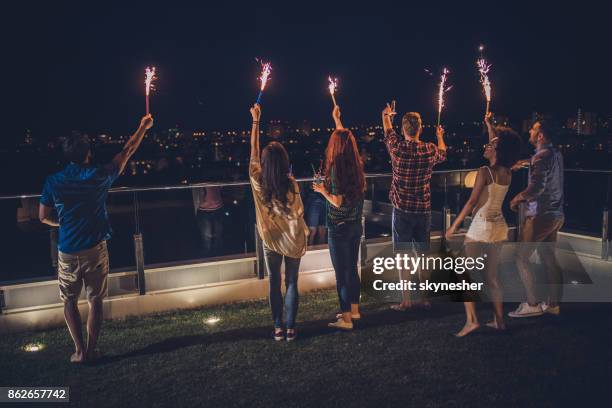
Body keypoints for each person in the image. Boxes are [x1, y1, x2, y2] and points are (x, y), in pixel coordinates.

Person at [39, 114, 154, 362]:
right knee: (95, 299)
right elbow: (127, 151)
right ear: (88, 153)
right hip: (95, 248)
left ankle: (79, 351)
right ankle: (91, 350)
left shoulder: (54, 182)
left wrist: (63, 222)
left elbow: (43, 217)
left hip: (67, 249)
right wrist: (142, 127)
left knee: (69, 299)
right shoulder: (98, 175)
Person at [445, 113, 522, 337]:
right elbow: (499, 146)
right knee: (491, 276)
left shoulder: (484, 172)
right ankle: (499, 322)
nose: (486, 146)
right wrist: (490, 126)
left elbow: (471, 203)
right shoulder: (506, 172)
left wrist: (454, 227)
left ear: (497, 150)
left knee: (461, 272)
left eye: (490, 144)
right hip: (499, 226)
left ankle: (472, 321)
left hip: (482, 226)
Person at [249, 103, 308, 342]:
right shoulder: (292, 184)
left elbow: (253, 154)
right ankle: (291, 328)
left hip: (271, 239)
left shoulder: (258, 182)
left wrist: (255, 121)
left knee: (274, 283)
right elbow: (299, 211)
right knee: (291, 282)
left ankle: (278, 328)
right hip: (292, 239)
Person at [381, 103, 447, 310]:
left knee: (402, 255)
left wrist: (386, 115)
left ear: (403, 129)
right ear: (420, 129)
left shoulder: (397, 149)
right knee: (422, 254)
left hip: (401, 210)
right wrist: (439, 136)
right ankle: (424, 298)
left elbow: (387, 131)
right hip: (423, 210)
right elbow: (443, 154)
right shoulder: (429, 149)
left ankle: (406, 300)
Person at [313, 105, 366, 330]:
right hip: (355, 225)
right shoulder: (356, 165)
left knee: (341, 274)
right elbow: (344, 139)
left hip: (339, 226)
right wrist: (337, 119)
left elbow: (338, 201)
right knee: (352, 269)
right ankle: (354, 311)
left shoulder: (335, 169)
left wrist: (321, 190)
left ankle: (345, 320)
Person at [508, 120, 565, 317]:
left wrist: (516, 199)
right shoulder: (555, 154)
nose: (529, 131)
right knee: (549, 258)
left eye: (533, 129)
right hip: (556, 214)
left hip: (539, 215)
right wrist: (523, 163)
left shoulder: (540, 157)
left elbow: (536, 188)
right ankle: (553, 305)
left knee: (521, 256)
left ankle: (532, 304)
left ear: (540, 135)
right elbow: (541, 165)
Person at [193, 186, 224, 257]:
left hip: (217, 207)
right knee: (206, 237)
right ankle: (207, 257)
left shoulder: (217, 176)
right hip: (203, 209)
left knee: (218, 235)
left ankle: (217, 257)